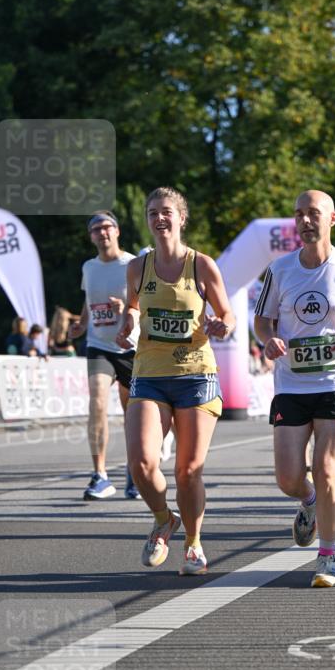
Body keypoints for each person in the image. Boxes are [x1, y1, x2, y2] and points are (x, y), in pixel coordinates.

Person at [254, 189, 335, 588]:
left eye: (313, 213)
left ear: (332, 219)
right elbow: (262, 320)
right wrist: (268, 339)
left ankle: (327, 557)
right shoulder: (280, 269)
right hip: (291, 383)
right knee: (288, 479)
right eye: (299, 214)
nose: (305, 221)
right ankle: (307, 501)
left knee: (328, 469)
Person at [116, 186, 235, 575]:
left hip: (195, 375)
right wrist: (126, 324)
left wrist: (221, 324)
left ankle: (194, 544)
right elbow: (133, 308)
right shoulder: (137, 267)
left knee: (187, 470)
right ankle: (164, 518)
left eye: (167, 211)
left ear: (182, 218)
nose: (160, 218)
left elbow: (227, 314)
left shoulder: (201, 265)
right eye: (153, 212)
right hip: (149, 373)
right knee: (142, 463)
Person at [68, 210, 140, 500]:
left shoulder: (133, 264)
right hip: (98, 345)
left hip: (130, 347)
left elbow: (144, 304)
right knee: (97, 401)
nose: (102, 233)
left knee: (132, 414)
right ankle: (100, 475)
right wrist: (82, 324)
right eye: (96, 229)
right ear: (91, 237)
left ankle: (135, 473)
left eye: (107, 227)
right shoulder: (88, 267)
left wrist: (124, 311)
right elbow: (89, 301)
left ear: (117, 231)